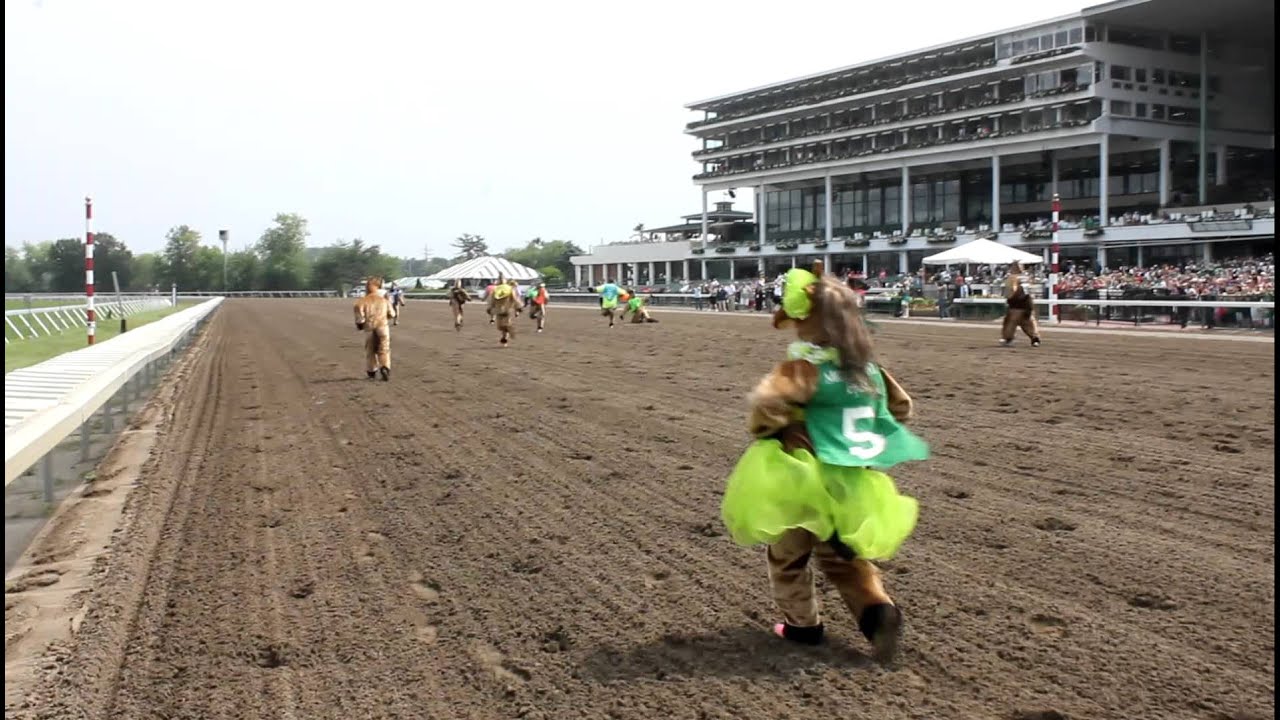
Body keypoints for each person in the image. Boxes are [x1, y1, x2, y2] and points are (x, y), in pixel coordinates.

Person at [719, 261, 927, 662]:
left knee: (788, 555)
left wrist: (780, 432)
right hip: (852, 478)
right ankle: (876, 611)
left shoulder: (802, 368)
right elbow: (902, 410)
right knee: (845, 556)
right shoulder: (869, 370)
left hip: (799, 475)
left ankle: (803, 626)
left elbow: (764, 414)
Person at [353, 276, 396, 381]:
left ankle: (372, 371)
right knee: (384, 349)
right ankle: (385, 367)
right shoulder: (384, 300)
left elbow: (360, 319)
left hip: (369, 328)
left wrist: (360, 325)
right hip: (383, 327)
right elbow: (392, 314)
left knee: (370, 350)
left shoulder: (361, 302)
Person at [1001, 261, 1041, 347]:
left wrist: (1008, 297)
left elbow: (1011, 291)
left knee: (1010, 322)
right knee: (1028, 322)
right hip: (1028, 303)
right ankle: (1035, 338)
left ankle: (1008, 339)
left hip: (1017, 305)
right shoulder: (1027, 277)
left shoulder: (1013, 278)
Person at [487, 275, 523, 346]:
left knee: (502, 325)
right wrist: (518, 306)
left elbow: (492, 301)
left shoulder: (498, 290)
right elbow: (515, 299)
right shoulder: (503, 289)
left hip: (503, 310)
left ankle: (505, 338)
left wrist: (490, 308)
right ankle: (507, 332)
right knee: (501, 326)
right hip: (504, 310)